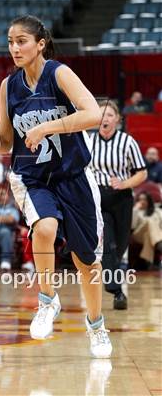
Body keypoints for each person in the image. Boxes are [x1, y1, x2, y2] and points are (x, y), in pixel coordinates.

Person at [0, 15, 112, 358]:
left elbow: (94, 114)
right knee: (45, 227)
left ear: (40, 44)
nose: (14, 48)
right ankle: (47, 300)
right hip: (32, 177)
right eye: (10, 41)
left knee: (87, 263)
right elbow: (6, 140)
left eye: (21, 40)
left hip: (75, 176)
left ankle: (97, 327)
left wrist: (48, 127)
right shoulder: (9, 86)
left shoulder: (59, 73)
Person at [89, 100, 147, 310]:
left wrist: (124, 183)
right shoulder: (89, 142)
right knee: (108, 245)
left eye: (110, 115)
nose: (105, 118)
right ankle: (116, 291)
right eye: (102, 115)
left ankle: (115, 284)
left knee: (120, 244)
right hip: (98, 199)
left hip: (121, 198)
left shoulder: (127, 142)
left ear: (117, 120)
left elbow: (142, 172)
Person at [131, 191, 162, 265]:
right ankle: (159, 244)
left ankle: (149, 263)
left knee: (147, 235)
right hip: (137, 234)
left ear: (149, 200)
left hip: (150, 236)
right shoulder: (136, 211)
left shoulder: (157, 211)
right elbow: (132, 226)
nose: (142, 201)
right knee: (149, 222)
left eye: (144, 199)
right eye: (140, 199)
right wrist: (135, 209)